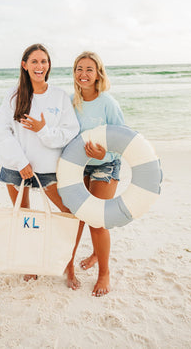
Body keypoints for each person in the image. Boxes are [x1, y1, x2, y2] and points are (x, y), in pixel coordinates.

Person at [0, 43, 81, 286]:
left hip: (48, 169)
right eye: (34, 62)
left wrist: (43, 131)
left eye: (43, 62)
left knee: (67, 215)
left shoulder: (59, 96)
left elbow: (70, 132)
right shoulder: (14, 95)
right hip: (17, 167)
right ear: (25, 65)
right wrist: (20, 162)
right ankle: (30, 264)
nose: (39, 66)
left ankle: (68, 266)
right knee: (25, 217)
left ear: (48, 65)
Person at [70, 51, 125, 297]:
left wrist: (104, 154)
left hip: (107, 163)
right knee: (76, 217)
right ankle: (69, 264)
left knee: (96, 220)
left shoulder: (108, 102)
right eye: (79, 68)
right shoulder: (72, 102)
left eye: (89, 69)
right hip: (79, 165)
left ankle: (104, 273)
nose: (84, 73)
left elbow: (122, 139)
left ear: (98, 73)